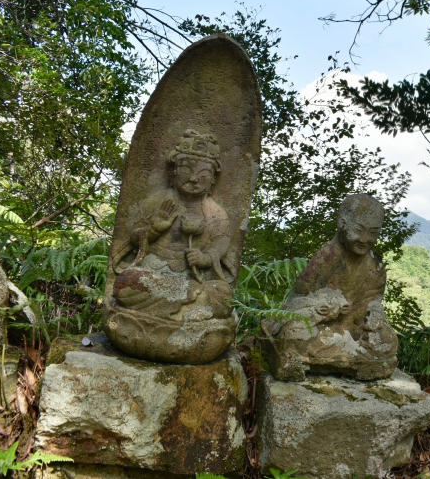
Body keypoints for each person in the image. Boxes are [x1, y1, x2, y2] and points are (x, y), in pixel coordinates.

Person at [264, 194, 398, 381]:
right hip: (322, 326)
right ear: (343, 224)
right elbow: (297, 301)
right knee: (293, 333)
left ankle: (345, 356)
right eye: (359, 230)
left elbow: (373, 301)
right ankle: (346, 356)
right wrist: (324, 307)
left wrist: (374, 313)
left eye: (373, 232)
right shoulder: (326, 258)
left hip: (353, 331)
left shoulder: (375, 266)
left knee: (388, 340)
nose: (365, 239)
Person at [111, 129, 234, 320]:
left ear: (212, 179)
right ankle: (187, 312)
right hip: (154, 272)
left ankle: (168, 311)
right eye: (186, 171)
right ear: (173, 172)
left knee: (223, 296)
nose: (193, 179)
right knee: (125, 283)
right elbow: (134, 239)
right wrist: (154, 229)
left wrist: (206, 258)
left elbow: (221, 244)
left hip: (192, 277)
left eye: (202, 174)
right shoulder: (157, 202)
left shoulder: (216, 213)